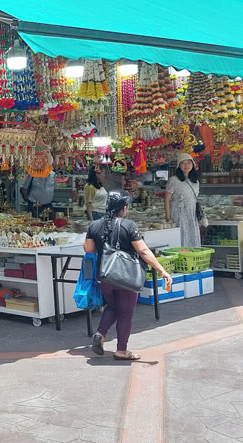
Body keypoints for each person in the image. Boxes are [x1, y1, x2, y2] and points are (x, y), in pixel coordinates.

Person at [85, 192, 171, 361]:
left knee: (113, 306)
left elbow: (88, 248)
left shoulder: (94, 225)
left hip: (105, 276)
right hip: (126, 277)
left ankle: (100, 334)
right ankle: (121, 350)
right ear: (123, 209)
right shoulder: (129, 226)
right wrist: (162, 270)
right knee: (125, 313)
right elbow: (143, 251)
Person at [164, 152, 202, 248]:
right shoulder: (173, 180)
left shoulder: (195, 181)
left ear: (193, 164)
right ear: (179, 165)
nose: (186, 165)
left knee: (192, 236)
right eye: (183, 163)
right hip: (178, 213)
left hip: (192, 214)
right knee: (180, 236)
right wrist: (168, 217)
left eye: (189, 162)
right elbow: (167, 199)